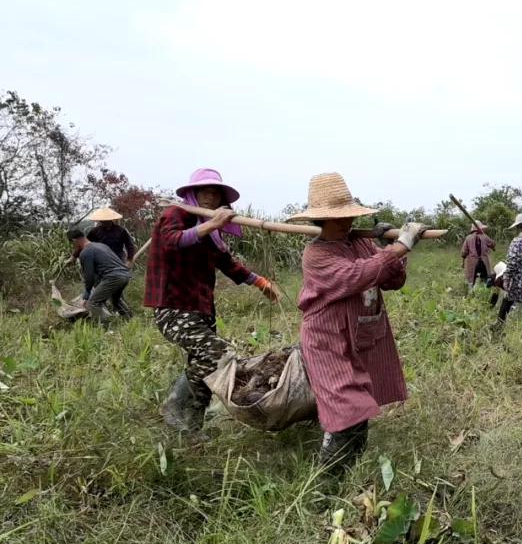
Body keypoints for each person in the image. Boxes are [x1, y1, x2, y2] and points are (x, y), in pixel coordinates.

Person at [287, 173, 429, 472]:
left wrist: (390, 250)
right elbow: (356, 277)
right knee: (347, 411)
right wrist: (401, 245)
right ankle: (327, 483)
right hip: (328, 340)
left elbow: (392, 280)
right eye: (339, 218)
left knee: (359, 409)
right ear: (322, 222)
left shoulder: (361, 245)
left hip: (360, 334)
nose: (347, 222)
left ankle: (348, 470)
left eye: (349, 216)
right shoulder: (317, 253)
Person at [146, 168, 281, 438]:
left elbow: (227, 263)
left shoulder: (212, 233)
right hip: (174, 307)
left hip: (201, 308)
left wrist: (260, 282)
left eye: (216, 191)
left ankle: (190, 427)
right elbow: (173, 241)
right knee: (218, 355)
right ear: (193, 193)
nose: (211, 195)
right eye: (206, 190)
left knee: (204, 365)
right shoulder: (175, 215)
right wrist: (211, 224)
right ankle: (175, 406)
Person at [67, 229, 133, 321]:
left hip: (113, 277)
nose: (73, 246)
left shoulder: (85, 253)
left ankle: (103, 327)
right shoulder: (101, 246)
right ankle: (130, 320)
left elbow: (89, 276)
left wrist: (87, 293)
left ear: (74, 241)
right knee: (116, 300)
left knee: (93, 303)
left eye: (72, 244)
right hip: (125, 275)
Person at [461, 221, 495, 288]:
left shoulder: (468, 238)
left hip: (472, 263)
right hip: (484, 262)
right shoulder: (485, 237)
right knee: (485, 279)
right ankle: (485, 291)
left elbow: (464, 252)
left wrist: (462, 262)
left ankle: (471, 293)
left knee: (471, 280)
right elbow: (493, 244)